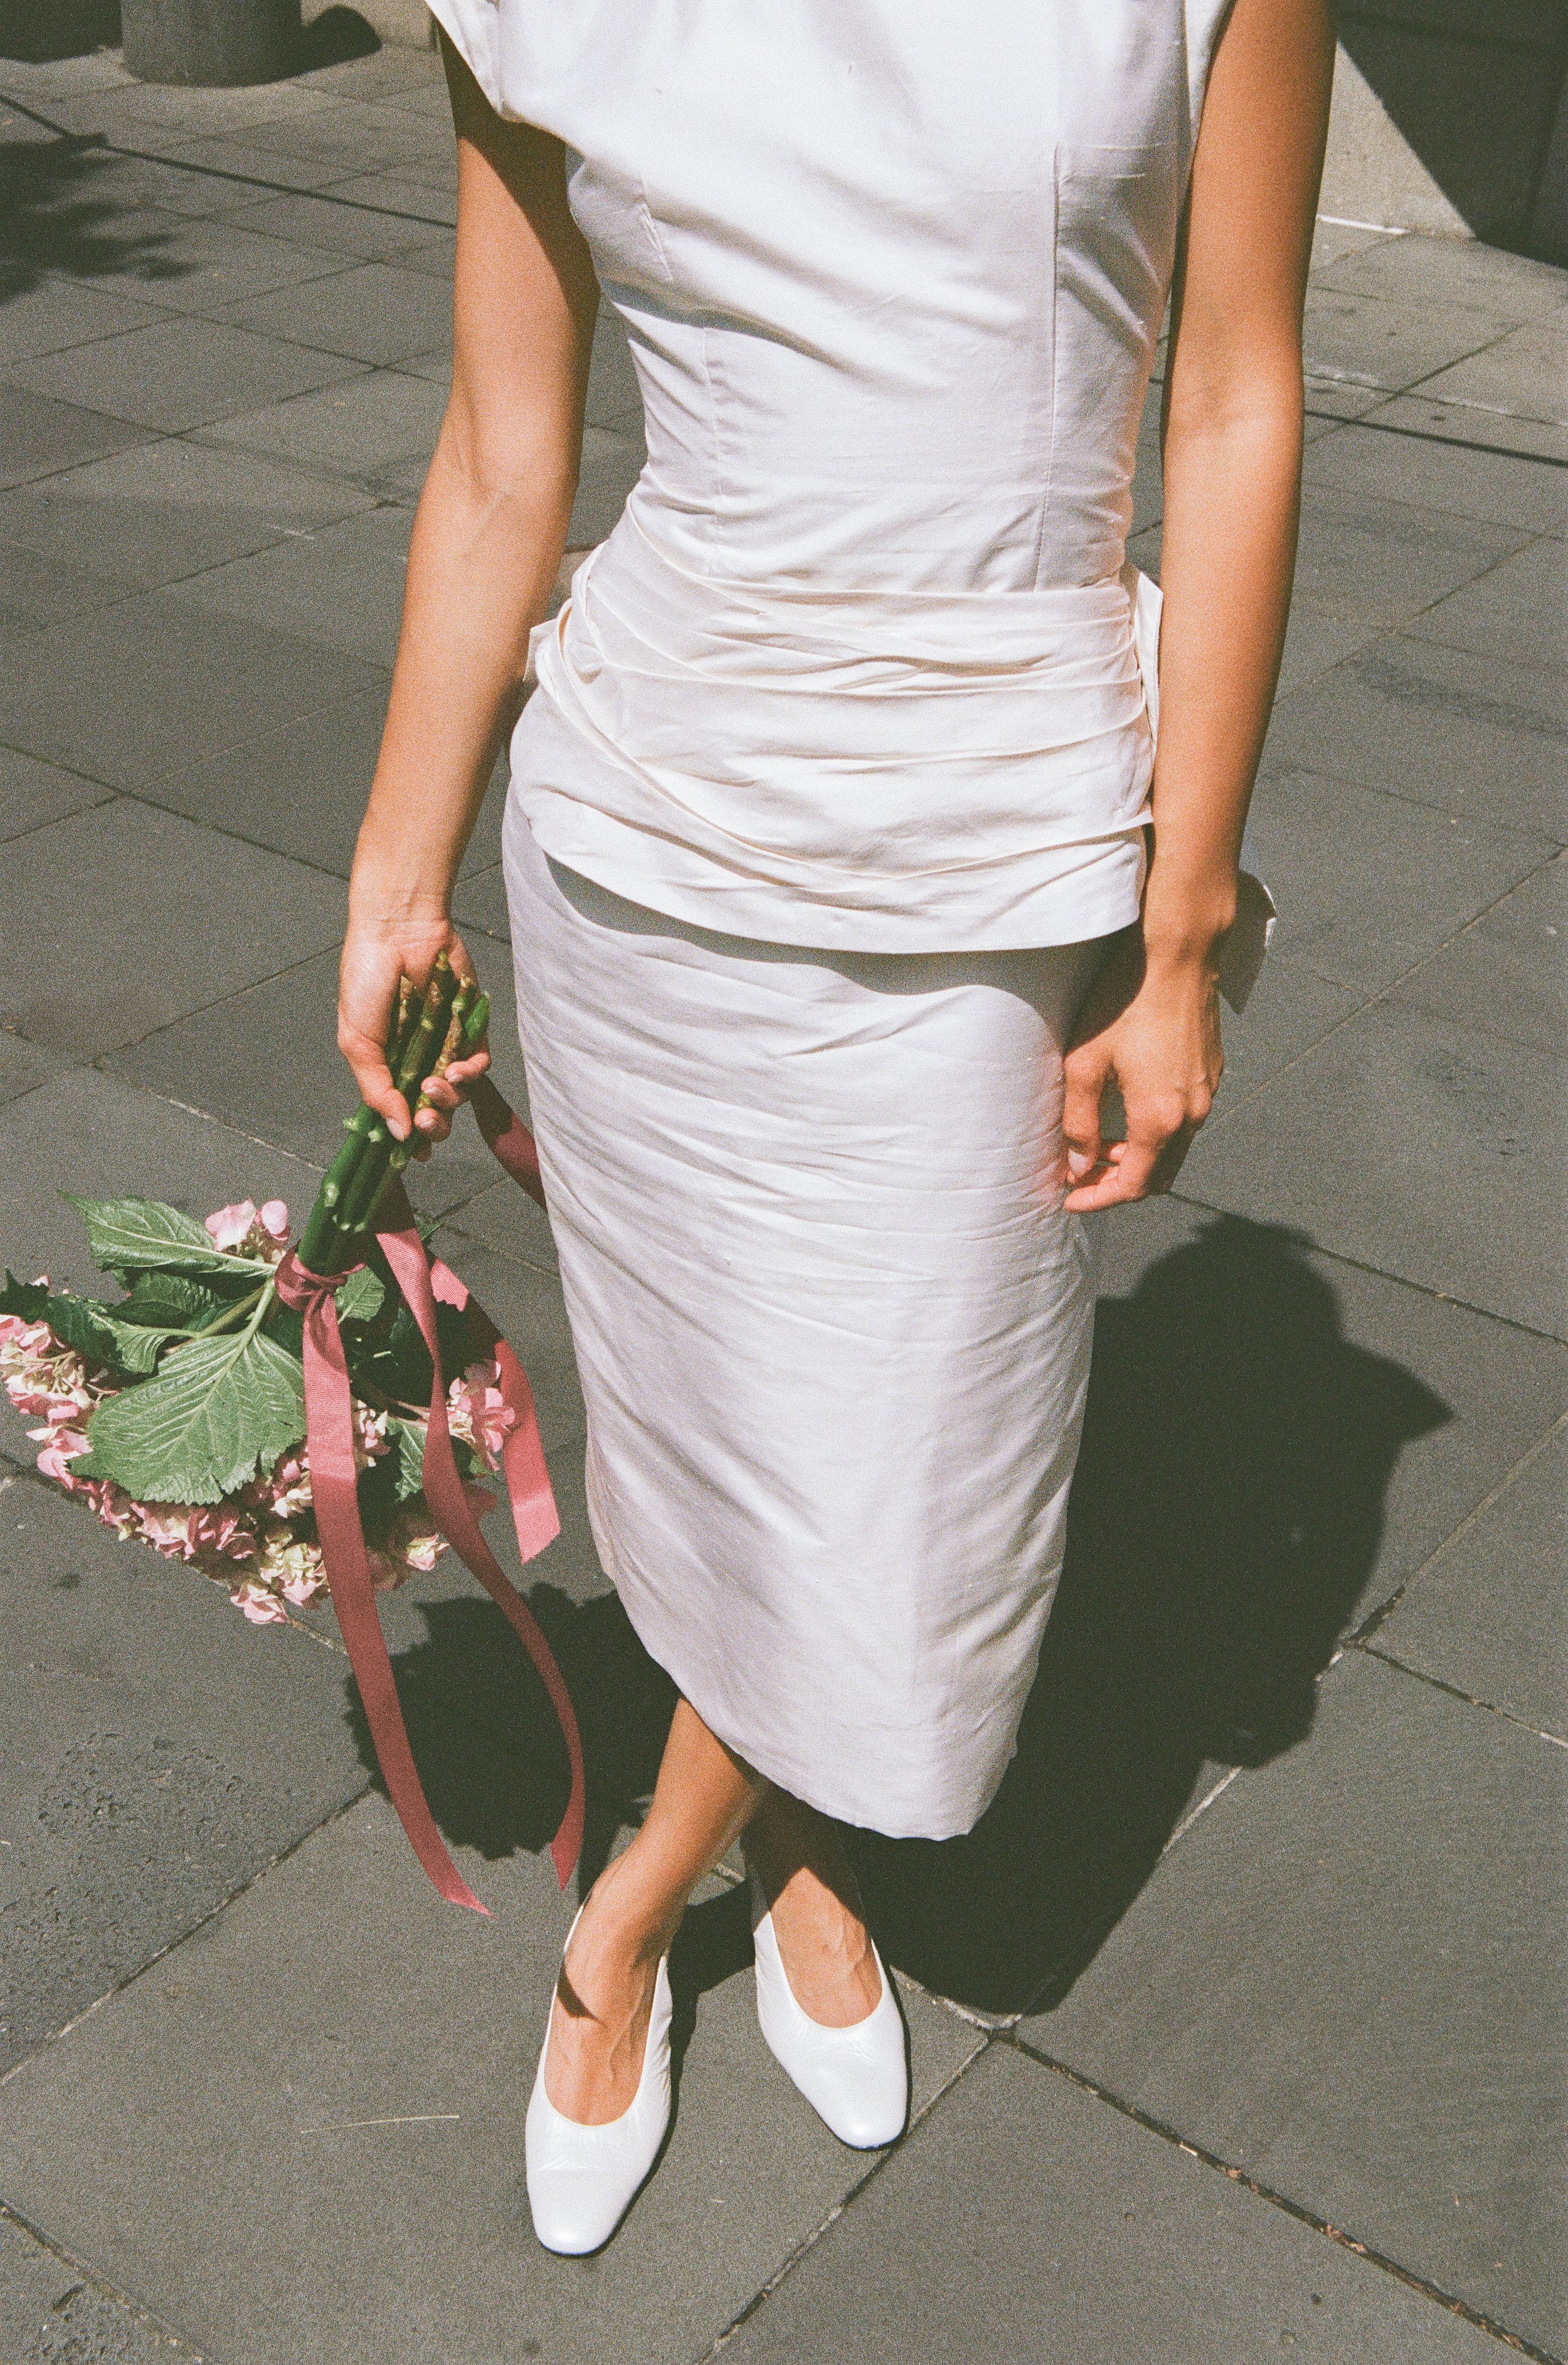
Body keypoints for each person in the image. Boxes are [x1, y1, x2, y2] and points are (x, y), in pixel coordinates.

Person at [337, 0, 1333, 2253]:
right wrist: (398, 874)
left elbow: (1232, 391)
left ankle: (632, 1899)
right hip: (634, 845)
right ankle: (791, 1844)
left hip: (994, 865)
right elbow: (508, 449)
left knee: (903, 1489)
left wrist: (1178, 935)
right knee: (707, 1428)